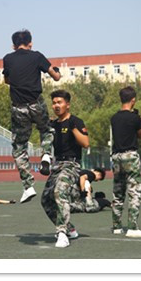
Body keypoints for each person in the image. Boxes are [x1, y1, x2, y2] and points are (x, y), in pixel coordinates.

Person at [3, 29, 60, 203]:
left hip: (18, 107)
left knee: (19, 147)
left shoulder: (8, 58)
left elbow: (7, 80)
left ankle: (28, 186)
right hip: (36, 103)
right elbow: (56, 76)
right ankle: (46, 155)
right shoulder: (37, 56)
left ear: (13, 46)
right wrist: (56, 71)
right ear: (30, 43)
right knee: (46, 130)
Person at [40, 89, 89, 248]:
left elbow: (85, 143)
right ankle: (70, 228)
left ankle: (61, 233)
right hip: (57, 165)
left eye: (59, 102)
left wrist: (72, 128)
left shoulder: (76, 121)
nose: (56, 105)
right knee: (46, 200)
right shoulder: (52, 125)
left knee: (59, 191)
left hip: (71, 164)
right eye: (54, 103)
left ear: (67, 105)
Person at [110, 86, 141, 237]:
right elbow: (140, 135)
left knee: (118, 192)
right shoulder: (135, 118)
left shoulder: (114, 118)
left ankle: (116, 226)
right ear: (133, 100)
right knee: (135, 191)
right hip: (130, 156)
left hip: (116, 157)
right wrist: (140, 121)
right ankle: (132, 227)